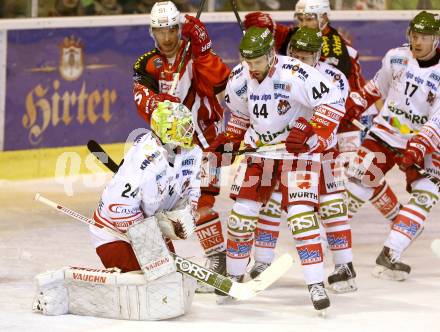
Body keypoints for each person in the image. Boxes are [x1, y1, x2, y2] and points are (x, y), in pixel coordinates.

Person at [209, 26, 346, 311]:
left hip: (297, 155)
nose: (253, 67)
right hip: (260, 154)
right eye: (248, 61)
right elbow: (241, 115)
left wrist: (311, 131)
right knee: (240, 217)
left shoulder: (296, 73)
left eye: (258, 61)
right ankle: (234, 278)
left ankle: (316, 283)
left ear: (271, 54)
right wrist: (231, 139)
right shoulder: (239, 77)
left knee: (301, 218)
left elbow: (332, 101)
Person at [33, 101, 200, 320]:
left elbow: (192, 187)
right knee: (149, 285)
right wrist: (150, 242)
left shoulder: (190, 151)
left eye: (188, 125)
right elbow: (118, 207)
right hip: (112, 232)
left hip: (149, 223)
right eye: (182, 127)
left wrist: (183, 214)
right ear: (165, 131)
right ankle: (67, 284)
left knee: (166, 283)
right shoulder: (144, 163)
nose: (189, 131)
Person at [248, 27, 357, 293]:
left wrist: (311, 135)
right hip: (285, 152)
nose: (299, 59)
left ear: (318, 55)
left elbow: (332, 115)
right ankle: (262, 261)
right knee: (271, 203)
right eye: (295, 54)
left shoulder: (334, 76)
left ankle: (344, 265)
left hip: (324, 151)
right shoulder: (281, 71)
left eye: (307, 56)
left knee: (332, 208)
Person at [131, 1, 231, 288]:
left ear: (179, 29)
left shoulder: (194, 57)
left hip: (206, 140)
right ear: (152, 32)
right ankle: (162, 257)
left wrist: (204, 49)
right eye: (160, 31)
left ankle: (219, 259)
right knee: (157, 201)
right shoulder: (147, 63)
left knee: (201, 201)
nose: (166, 37)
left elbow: (221, 81)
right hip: (170, 147)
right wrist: (162, 105)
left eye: (171, 30)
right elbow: (142, 99)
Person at [345, 11, 440, 280]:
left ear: (436, 38)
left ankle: (391, 252)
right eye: (414, 35)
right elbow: (376, 87)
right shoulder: (395, 57)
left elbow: (437, 119)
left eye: (424, 37)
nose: (417, 41)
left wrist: (418, 146)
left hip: (425, 143)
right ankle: (329, 238)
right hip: (385, 134)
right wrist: (355, 104)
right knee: (358, 181)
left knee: (426, 195)